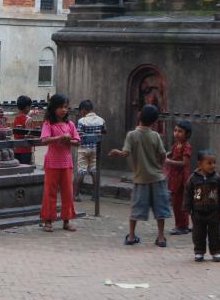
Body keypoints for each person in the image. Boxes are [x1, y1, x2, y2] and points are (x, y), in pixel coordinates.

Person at [109, 104, 171, 248]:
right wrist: (163, 170)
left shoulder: (132, 135)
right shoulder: (155, 135)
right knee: (160, 209)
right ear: (155, 121)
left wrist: (117, 152)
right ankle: (161, 237)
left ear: (139, 116)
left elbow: (125, 153)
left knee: (135, 208)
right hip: (157, 178)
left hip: (140, 178)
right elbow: (163, 155)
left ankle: (131, 236)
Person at [39, 93, 80, 232]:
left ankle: (67, 220)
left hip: (66, 162)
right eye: (61, 107)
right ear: (54, 108)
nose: (64, 110)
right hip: (52, 162)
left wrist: (68, 140)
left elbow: (77, 141)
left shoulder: (70, 124)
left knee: (68, 192)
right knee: (50, 192)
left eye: (66, 107)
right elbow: (44, 140)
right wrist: (59, 138)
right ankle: (48, 221)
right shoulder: (48, 123)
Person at [184, 148, 220, 262]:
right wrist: (187, 208)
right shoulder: (193, 178)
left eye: (214, 163)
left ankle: (216, 251)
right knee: (198, 233)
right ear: (200, 164)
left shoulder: (217, 178)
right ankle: (199, 251)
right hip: (197, 212)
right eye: (209, 163)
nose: (212, 165)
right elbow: (188, 193)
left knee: (215, 233)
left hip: (214, 211)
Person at [165, 120, 193, 235]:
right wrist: (167, 155)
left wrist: (169, 161)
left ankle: (183, 226)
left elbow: (184, 163)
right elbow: (172, 154)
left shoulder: (187, 146)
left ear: (187, 134)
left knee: (181, 203)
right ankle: (180, 225)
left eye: (180, 131)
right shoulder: (176, 145)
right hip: (174, 178)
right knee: (176, 203)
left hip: (182, 179)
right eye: (175, 130)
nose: (176, 133)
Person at [74, 99, 105, 201]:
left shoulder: (81, 121)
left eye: (80, 111)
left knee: (81, 170)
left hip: (83, 148)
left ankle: (76, 195)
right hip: (96, 148)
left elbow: (79, 135)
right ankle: (95, 195)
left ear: (83, 110)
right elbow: (104, 131)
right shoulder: (101, 120)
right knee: (94, 170)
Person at [11, 95, 35, 166]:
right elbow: (30, 135)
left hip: (17, 149)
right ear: (27, 107)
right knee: (26, 168)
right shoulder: (28, 119)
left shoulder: (16, 118)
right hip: (26, 150)